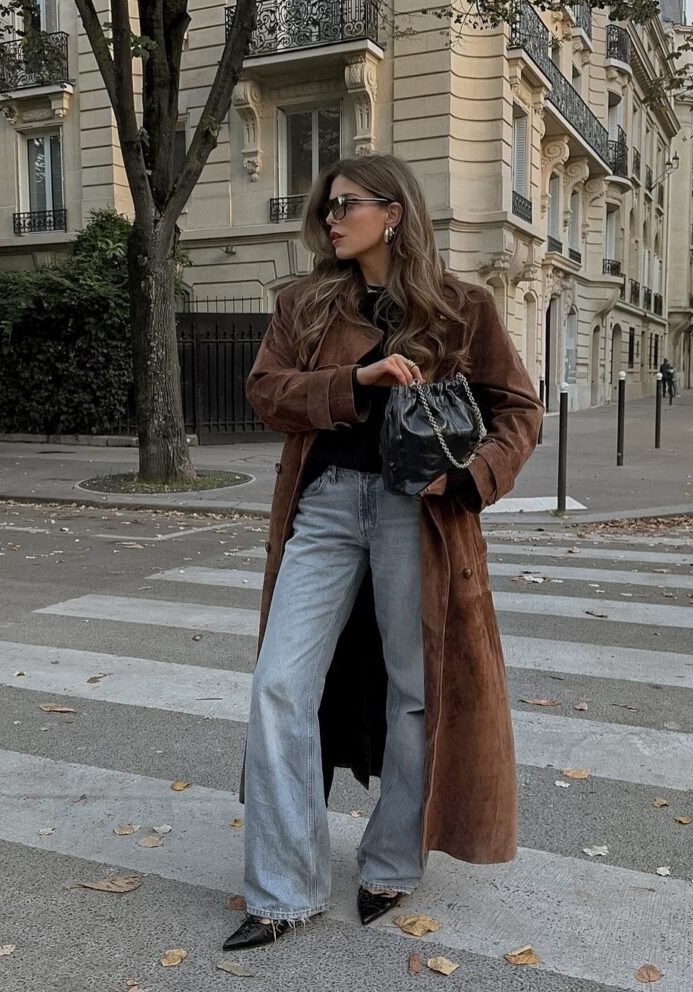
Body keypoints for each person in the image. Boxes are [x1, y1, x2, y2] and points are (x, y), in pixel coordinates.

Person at [223, 154, 544, 951]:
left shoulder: (461, 308)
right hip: (326, 508)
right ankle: (281, 887)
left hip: (417, 516)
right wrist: (355, 379)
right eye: (326, 207)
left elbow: (517, 410)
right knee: (278, 686)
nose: (331, 218)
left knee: (416, 691)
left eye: (346, 205)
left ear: (392, 212)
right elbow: (266, 393)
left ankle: (391, 861)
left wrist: (472, 478)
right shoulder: (303, 304)